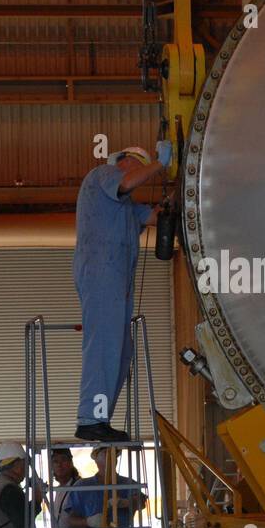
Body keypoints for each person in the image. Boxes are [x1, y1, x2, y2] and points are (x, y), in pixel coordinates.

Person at [73, 143, 171, 442]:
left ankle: (100, 418)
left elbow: (154, 216)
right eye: (138, 164)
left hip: (117, 280)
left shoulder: (125, 206)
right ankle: (90, 418)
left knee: (120, 350)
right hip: (102, 274)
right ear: (124, 161)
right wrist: (160, 163)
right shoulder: (103, 174)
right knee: (105, 344)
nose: (142, 172)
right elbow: (128, 182)